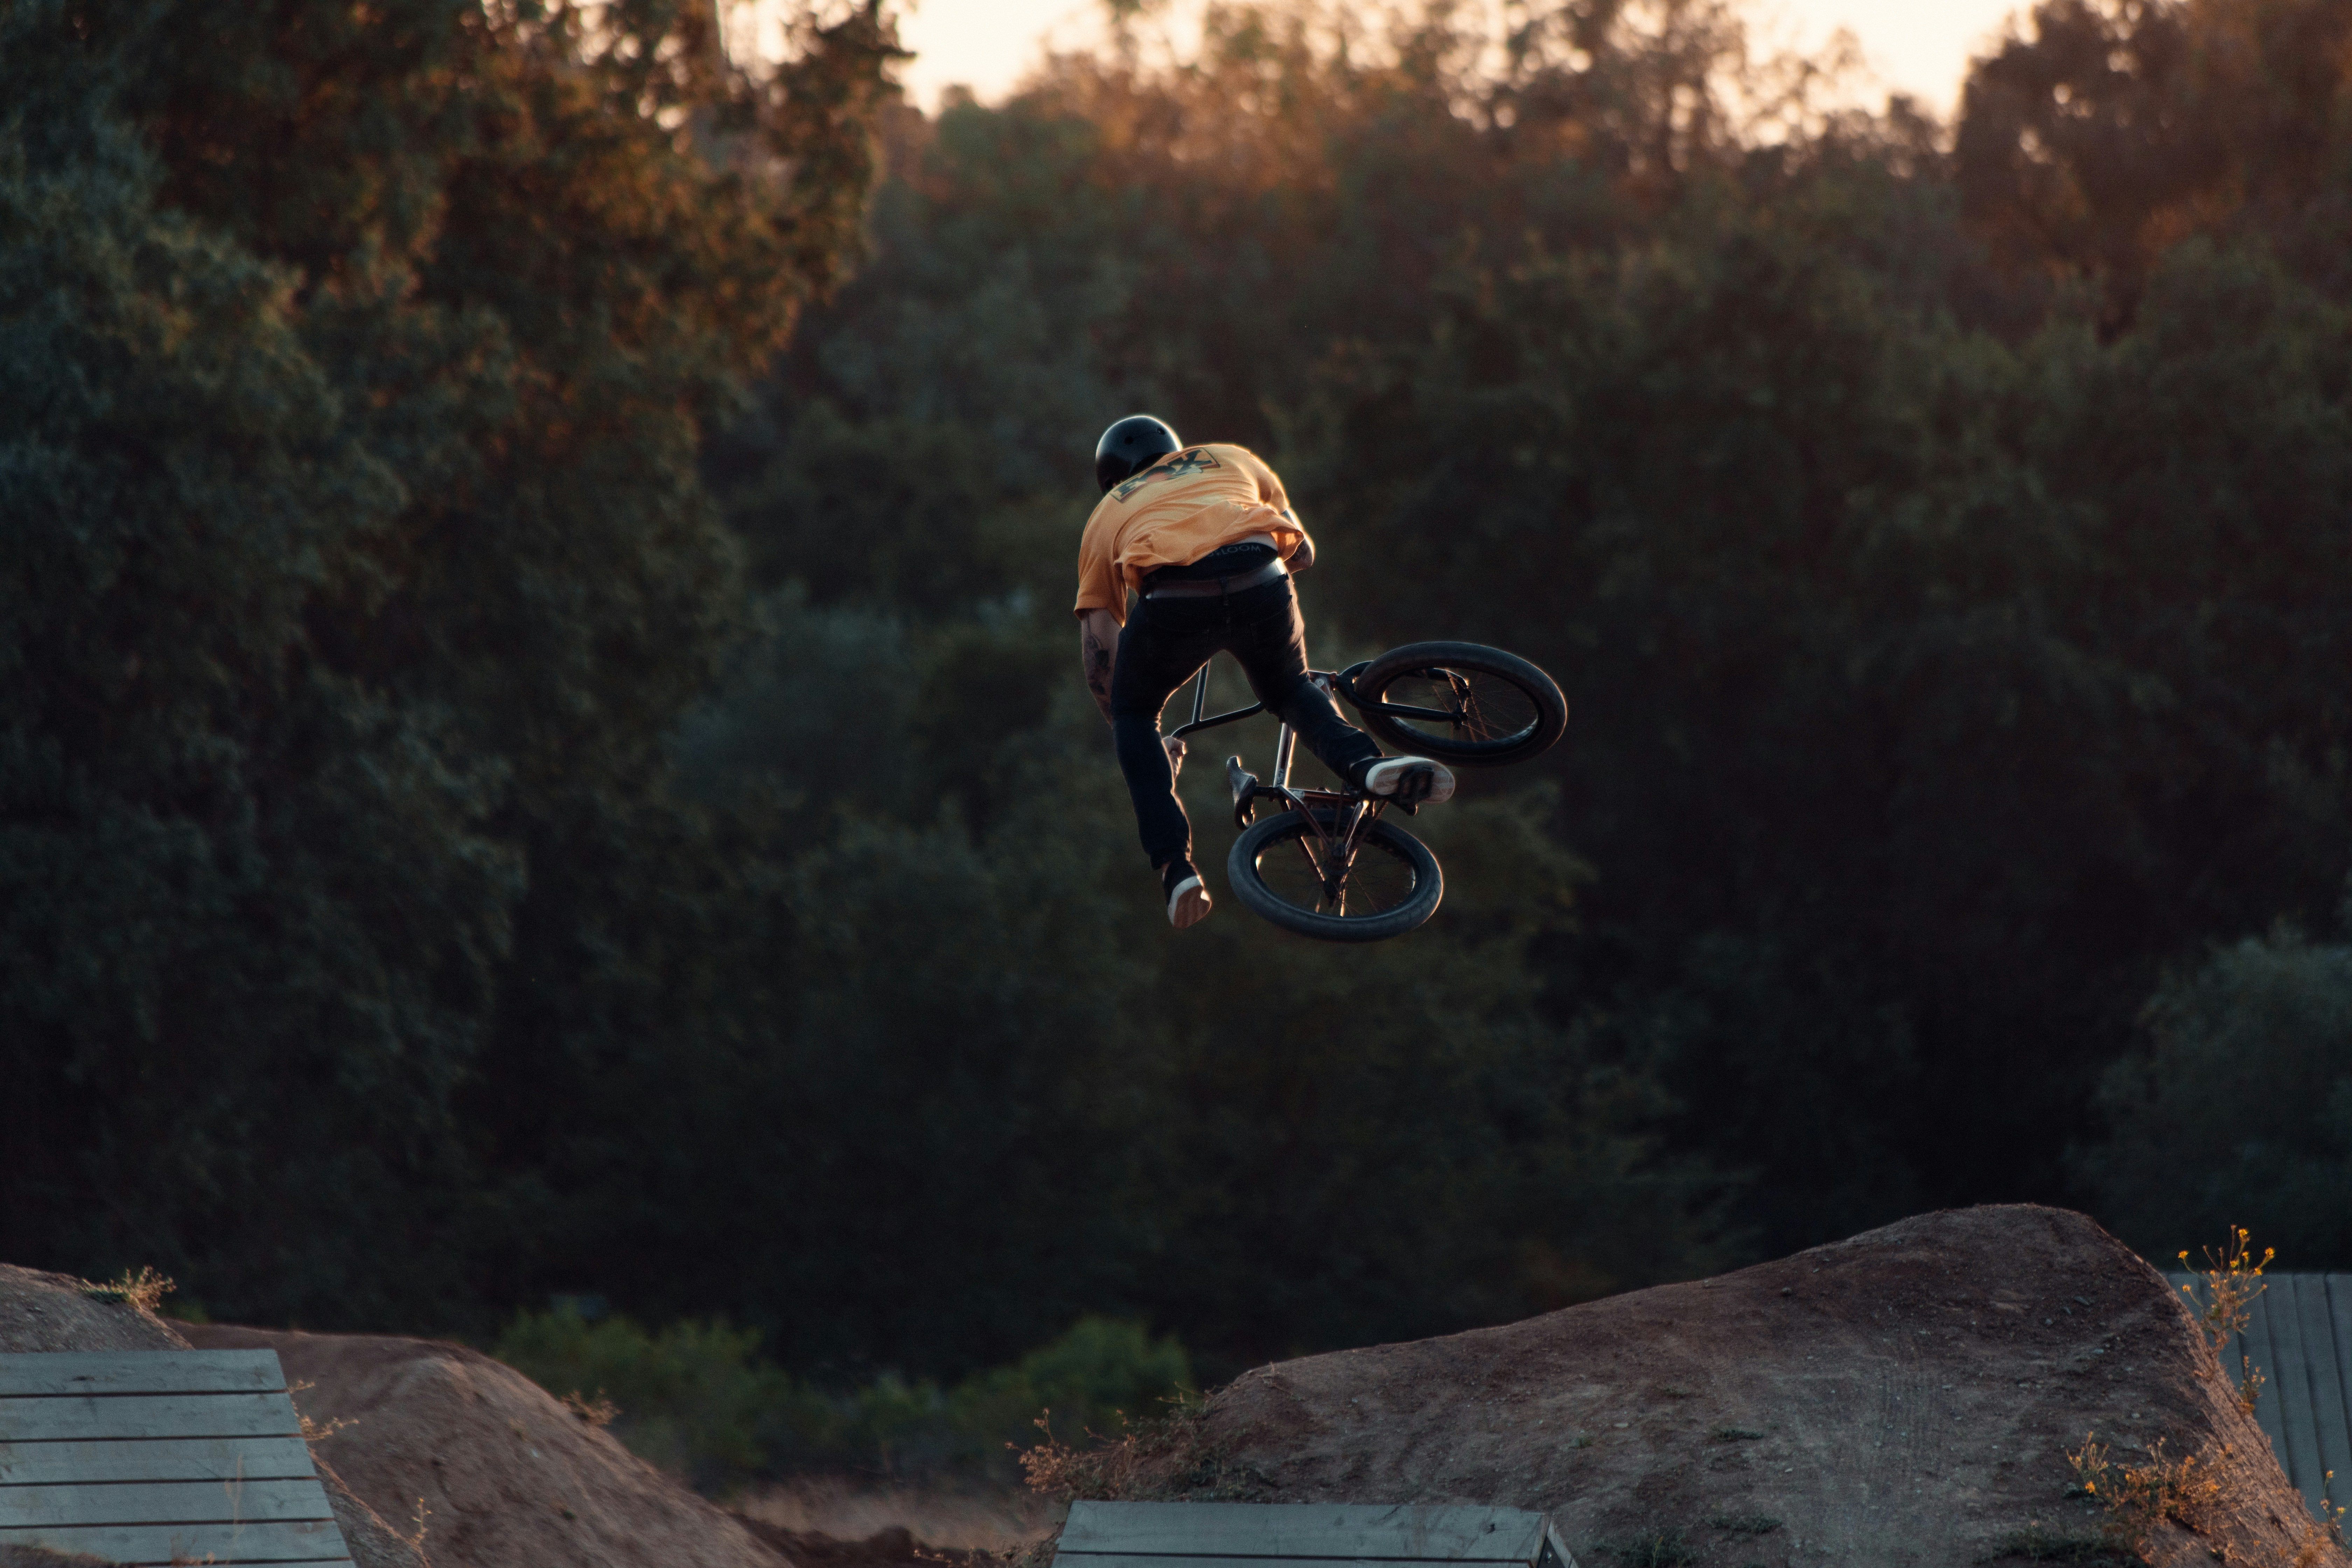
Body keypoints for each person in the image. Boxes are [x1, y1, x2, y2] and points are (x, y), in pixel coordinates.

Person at [1075, 414, 1454, 929]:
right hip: (1261, 574)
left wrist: (1140, 736)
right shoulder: (1230, 456)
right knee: (1289, 688)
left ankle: (1176, 870)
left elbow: (1100, 646)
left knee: (1134, 715)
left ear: (1112, 478)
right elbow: (1304, 552)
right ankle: (1367, 765)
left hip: (1175, 598)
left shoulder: (1107, 512)